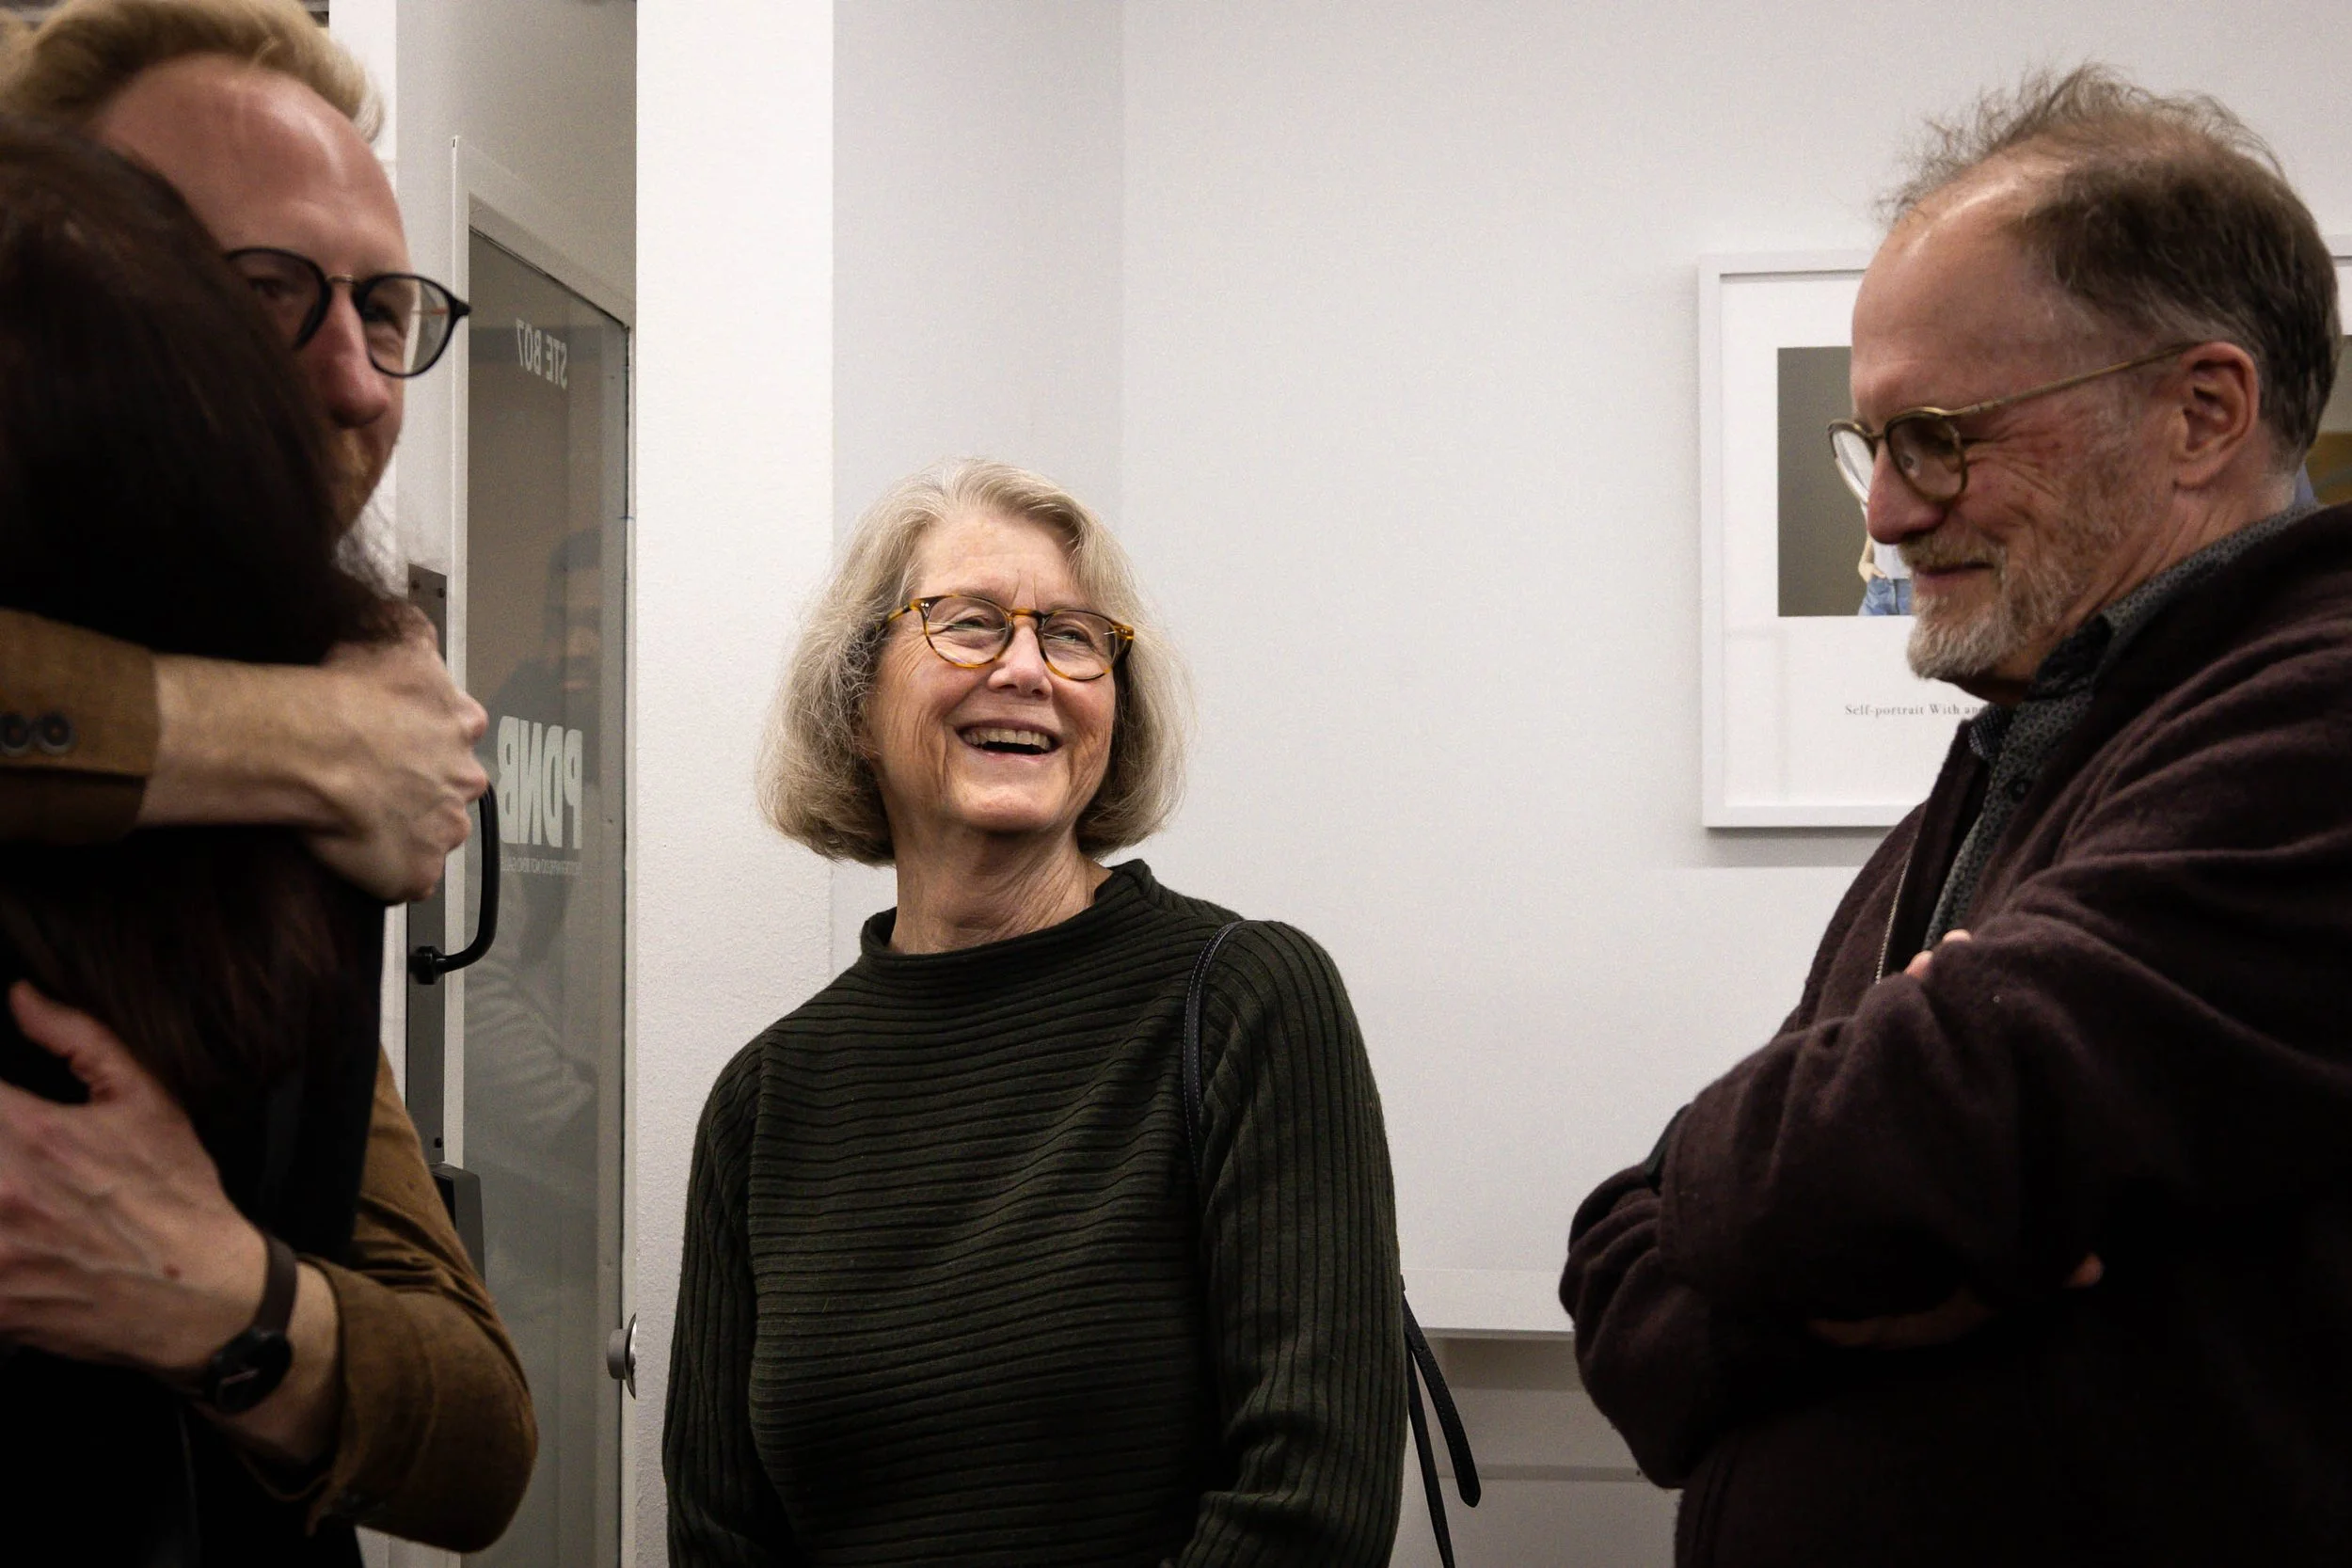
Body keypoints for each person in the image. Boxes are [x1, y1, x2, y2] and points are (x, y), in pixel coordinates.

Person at [1561, 67, 2352, 1567]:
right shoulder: (2021, 756)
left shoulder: (2317, 715)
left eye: (1937, 433)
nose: (1884, 512)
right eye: (1874, 444)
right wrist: (1796, 1259)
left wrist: (1766, 1180)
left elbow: (1828, 1163)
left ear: (2201, 412)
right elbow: (1624, 1267)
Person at [0, 0, 532, 1548]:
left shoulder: (291, 838)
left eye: (387, 309)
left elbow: (482, 1434)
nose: (358, 383)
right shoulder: (333, 752)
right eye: (263, 293)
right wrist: (298, 733)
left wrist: (229, 1299)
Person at [664, 460, 1406, 1565]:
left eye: (1072, 636)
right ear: (856, 701)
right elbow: (718, 1535)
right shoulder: (766, 1098)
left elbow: (1313, 1504)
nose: (1025, 669)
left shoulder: (1248, 1002)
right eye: (968, 623)